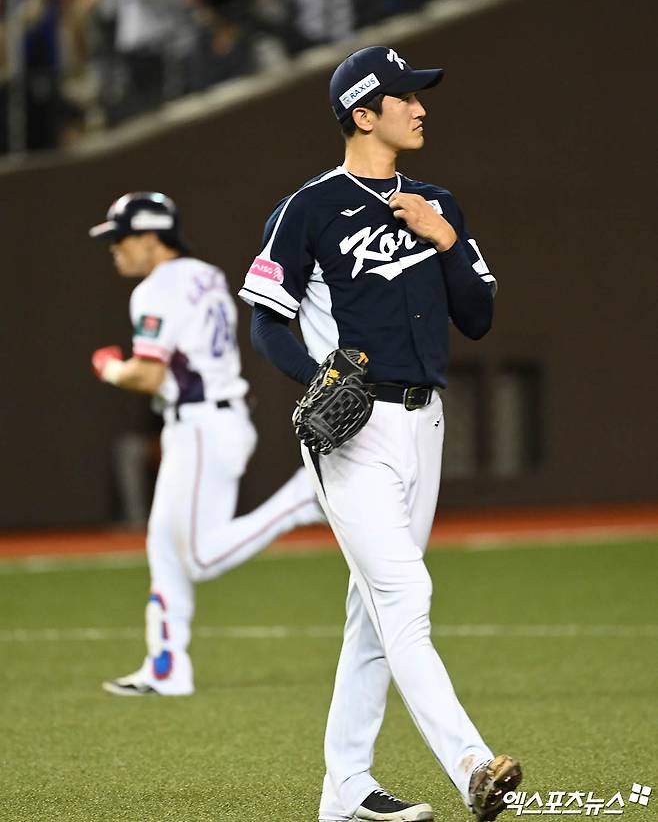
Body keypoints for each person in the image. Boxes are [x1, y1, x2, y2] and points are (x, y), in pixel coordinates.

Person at [239, 46, 521, 822]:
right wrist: (315, 379)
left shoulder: (439, 202)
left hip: (425, 419)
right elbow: (268, 321)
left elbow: (479, 315)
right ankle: (471, 763)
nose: (421, 106)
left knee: (373, 610)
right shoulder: (311, 208)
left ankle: (347, 791)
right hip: (351, 429)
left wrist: (445, 238)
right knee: (404, 590)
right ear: (363, 114)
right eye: (404, 96)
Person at [89, 191, 323, 696]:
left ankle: (301, 499)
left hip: (202, 426)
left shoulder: (157, 287)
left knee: (197, 557)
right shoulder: (207, 273)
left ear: (152, 236)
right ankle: (166, 665)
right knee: (163, 549)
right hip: (211, 420)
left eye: (120, 238)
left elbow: (149, 376)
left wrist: (109, 369)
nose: (114, 249)